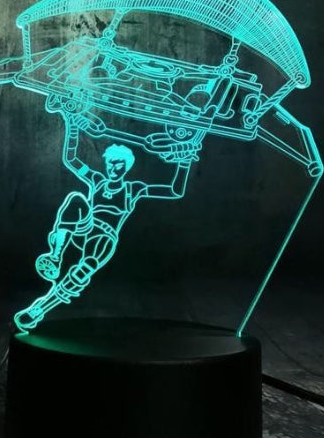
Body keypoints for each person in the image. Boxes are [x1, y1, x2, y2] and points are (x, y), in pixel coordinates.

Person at [14, 112, 201, 332]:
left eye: (119, 165)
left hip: (103, 236)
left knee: (81, 271)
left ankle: (38, 310)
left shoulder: (133, 189)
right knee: (76, 200)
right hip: (85, 227)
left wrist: (184, 161)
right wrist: (71, 122)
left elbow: (173, 190)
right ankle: (55, 257)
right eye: (111, 163)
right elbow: (72, 159)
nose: (114, 168)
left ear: (126, 167)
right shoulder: (97, 181)